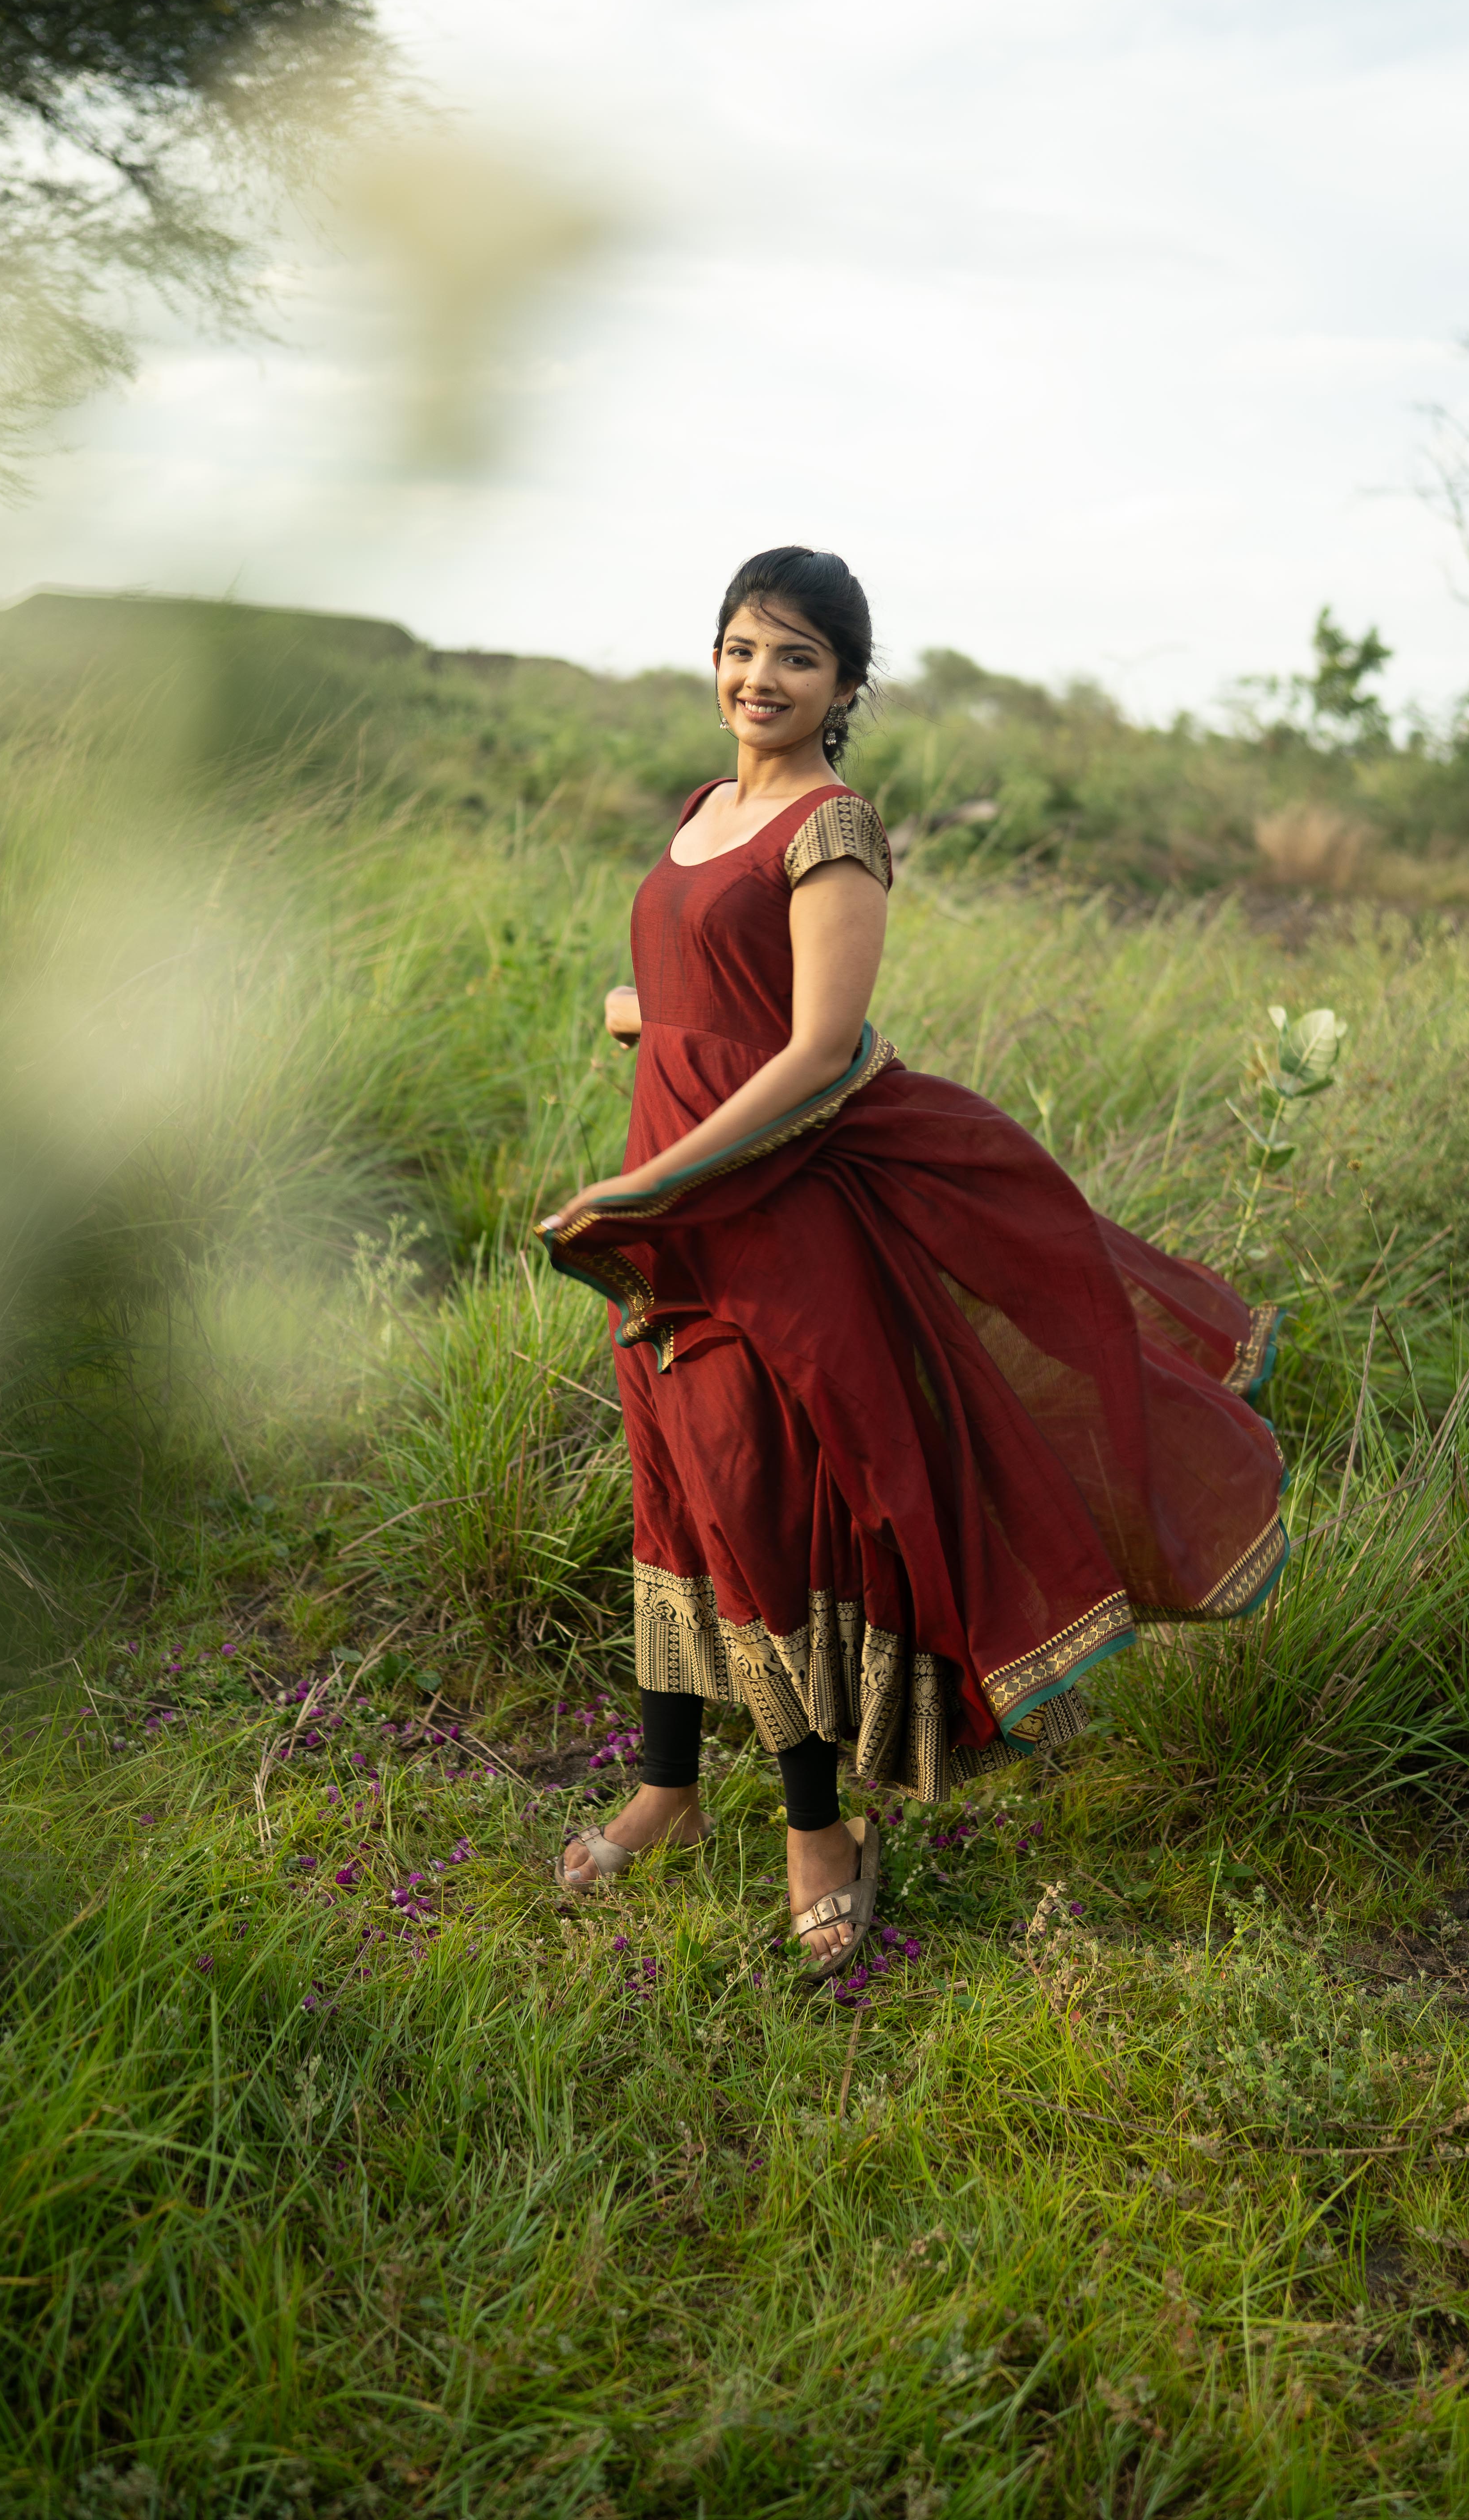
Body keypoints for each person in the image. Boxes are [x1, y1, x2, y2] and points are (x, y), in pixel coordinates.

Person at [537, 547, 1285, 1977]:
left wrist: (645, 1180)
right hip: (672, 1214)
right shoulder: (707, 810)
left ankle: (822, 1833)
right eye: (742, 647)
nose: (760, 678)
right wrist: (649, 1021)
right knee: (674, 1497)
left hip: (760, 1211)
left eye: (797, 658)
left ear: (848, 686)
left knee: (759, 1505)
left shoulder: (834, 828)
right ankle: (669, 1788)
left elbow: (822, 1052)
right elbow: (733, 998)